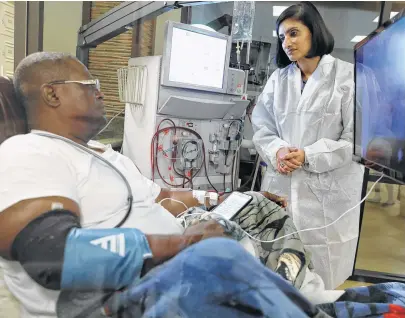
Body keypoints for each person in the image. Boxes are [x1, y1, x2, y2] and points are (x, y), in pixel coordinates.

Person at [0, 52, 312, 318]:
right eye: (90, 85)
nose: (101, 92)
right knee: (218, 255)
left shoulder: (106, 156)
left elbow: (164, 198)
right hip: (113, 298)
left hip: (172, 262)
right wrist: (183, 245)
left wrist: (224, 198)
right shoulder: (31, 151)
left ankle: (295, 297)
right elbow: (52, 256)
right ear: (52, 94)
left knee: (256, 205)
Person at [251, 2, 364, 289]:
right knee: (280, 267)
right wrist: (278, 150)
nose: (287, 43)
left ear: (314, 31)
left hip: (328, 195)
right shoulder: (279, 79)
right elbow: (262, 126)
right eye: (282, 37)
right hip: (282, 184)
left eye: (293, 33)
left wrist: (308, 155)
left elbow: (356, 139)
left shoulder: (347, 77)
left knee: (322, 273)